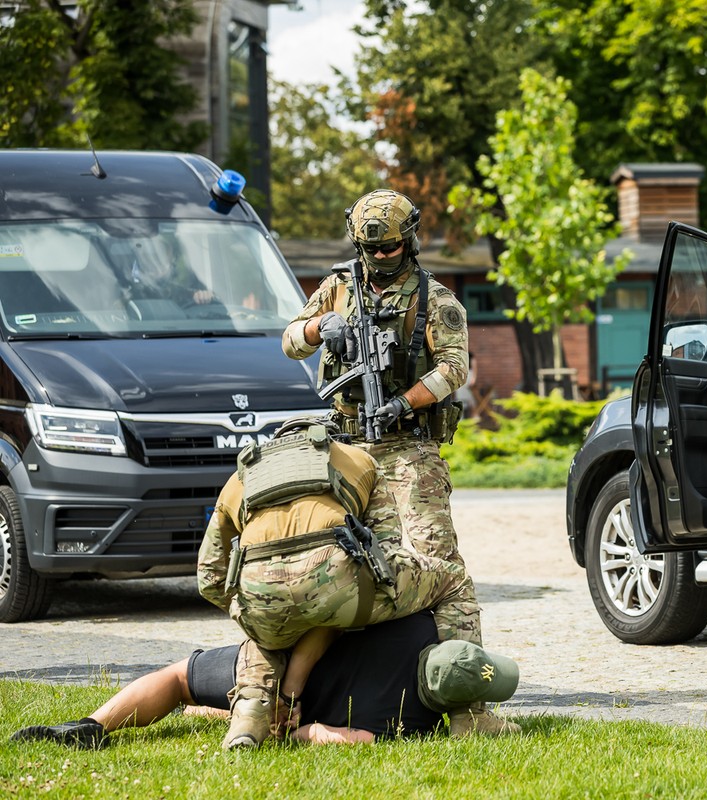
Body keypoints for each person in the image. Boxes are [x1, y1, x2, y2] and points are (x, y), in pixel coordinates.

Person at [281, 191, 499, 737]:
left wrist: (405, 402)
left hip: (408, 449)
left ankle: (469, 705)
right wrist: (319, 329)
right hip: (345, 447)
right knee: (336, 561)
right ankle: (302, 695)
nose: (380, 259)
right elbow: (290, 341)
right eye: (370, 250)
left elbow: (454, 369)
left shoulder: (437, 300)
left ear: (412, 238)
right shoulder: (337, 287)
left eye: (391, 248)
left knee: (439, 566)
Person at [197, 416, 515, 749]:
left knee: (264, 622)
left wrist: (249, 606)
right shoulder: (358, 459)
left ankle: (249, 714)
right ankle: (469, 715)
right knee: (454, 581)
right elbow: (387, 551)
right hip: (338, 582)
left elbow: (209, 577)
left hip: (261, 592)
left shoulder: (240, 478)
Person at [8, 613, 520, 749]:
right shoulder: (411, 722)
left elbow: (332, 617)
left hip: (280, 658)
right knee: (194, 689)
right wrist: (294, 724)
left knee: (178, 677)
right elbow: (317, 736)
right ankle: (219, 710)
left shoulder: (420, 625)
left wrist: (292, 683)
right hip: (287, 689)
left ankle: (92, 726)